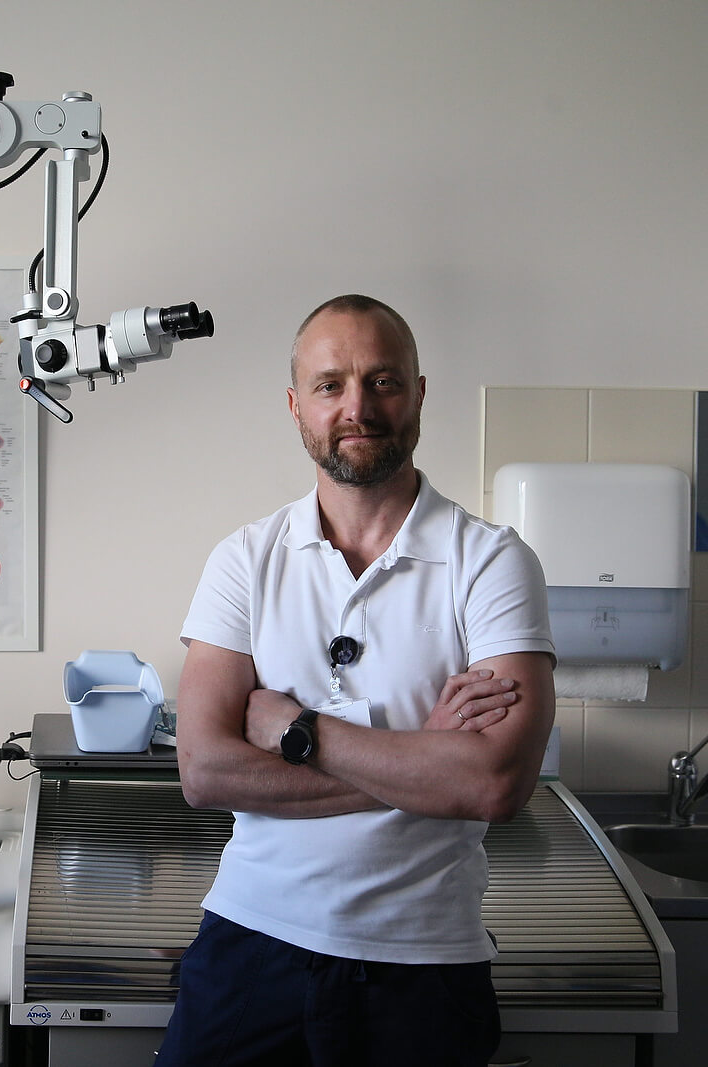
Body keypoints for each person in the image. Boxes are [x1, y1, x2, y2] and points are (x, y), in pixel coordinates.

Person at [157, 295, 556, 1067]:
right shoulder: (243, 560)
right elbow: (204, 771)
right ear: (295, 405)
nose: (358, 407)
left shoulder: (492, 561)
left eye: (383, 381)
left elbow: (496, 783)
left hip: (424, 963)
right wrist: (424, 761)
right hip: (250, 943)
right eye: (330, 384)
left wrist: (298, 731)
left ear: (418, 392)